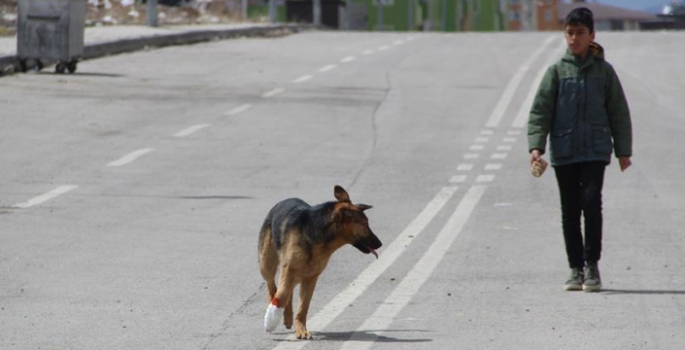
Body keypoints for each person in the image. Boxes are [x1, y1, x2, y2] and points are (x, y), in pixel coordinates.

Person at [527, 7, 633, 292]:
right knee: (570, 210)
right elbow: (540, 111)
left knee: (592, 203)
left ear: (592, 36)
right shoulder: (556, 72)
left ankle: (592, 266)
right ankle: (575, 268)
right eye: (570, 33)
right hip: (564, 149)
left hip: (596, 150)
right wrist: (536, 146)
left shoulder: (605, 72)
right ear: (565, 35)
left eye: (580, 33)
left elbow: (618, 111)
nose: (574, 39)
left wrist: (623, 150)